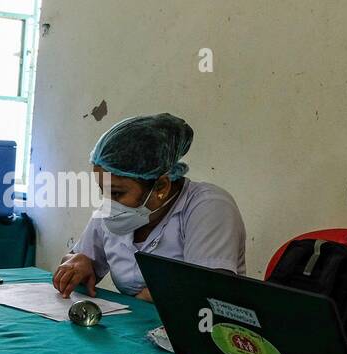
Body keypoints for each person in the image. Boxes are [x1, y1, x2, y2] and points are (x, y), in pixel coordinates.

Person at [53, 113, 246, 301]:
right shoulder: (112, 212)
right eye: (103, 191)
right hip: (136, 327)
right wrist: (77, 262)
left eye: (117, 193)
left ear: (161, 187)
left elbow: (207, 292)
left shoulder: (208, 206)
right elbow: (79, 258)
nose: (108, 202)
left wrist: (156, 296)